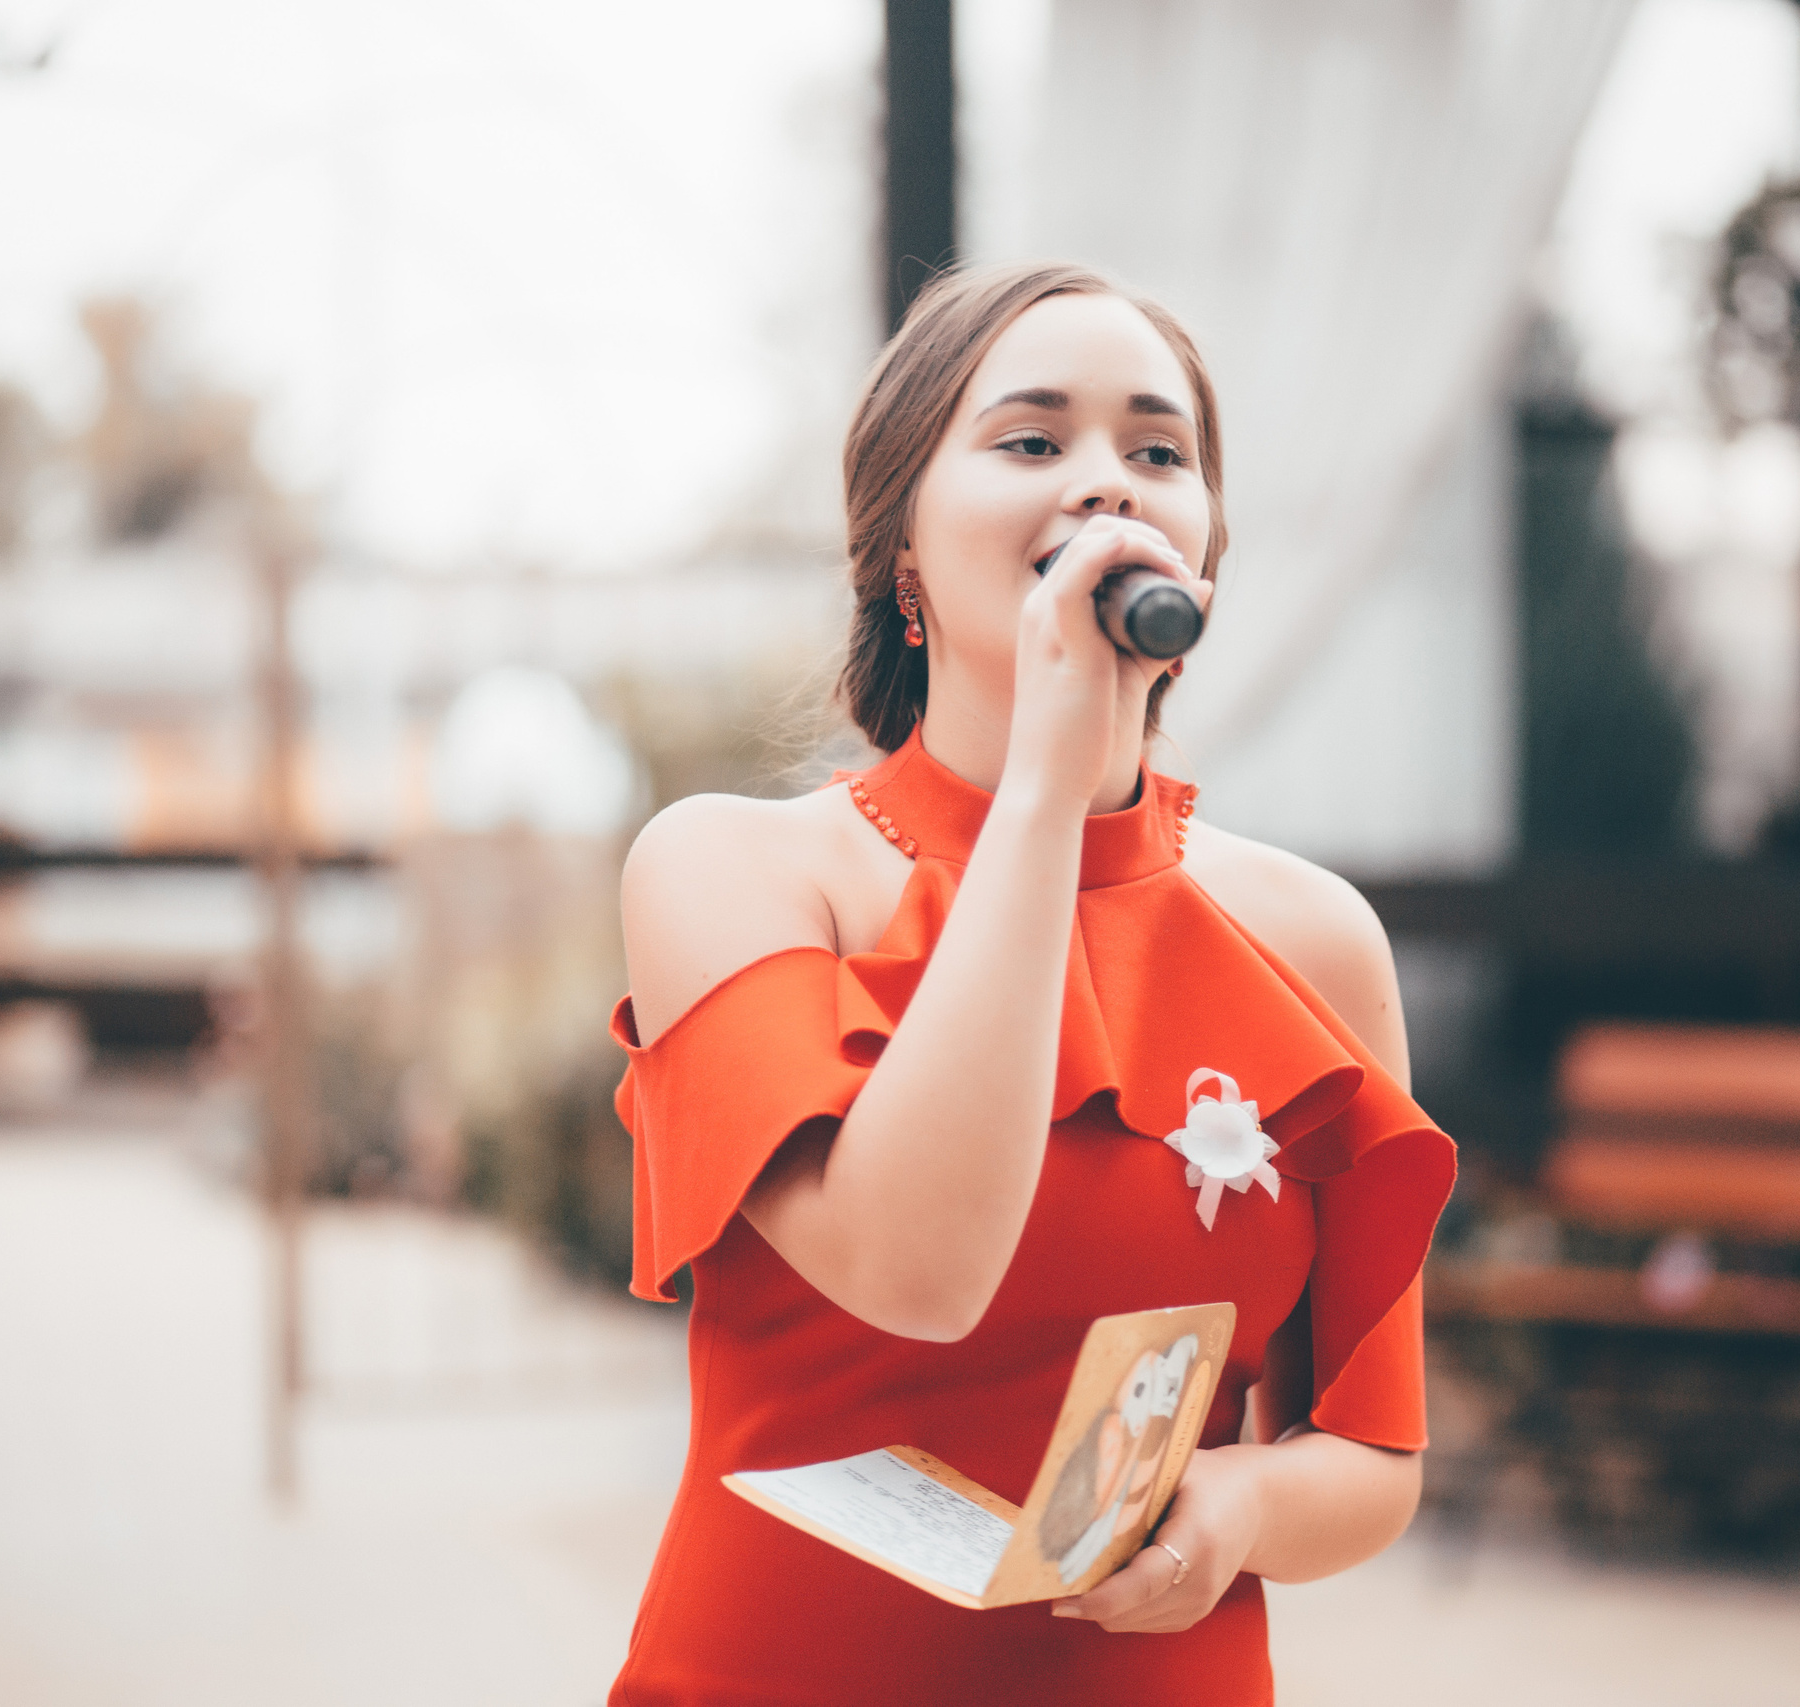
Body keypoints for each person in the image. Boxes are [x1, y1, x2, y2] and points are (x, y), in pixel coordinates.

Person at [608, 260, 1456, 1704]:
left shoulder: (1312, 940)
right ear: (904, 555)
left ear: (1205, 553)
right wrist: (1049, 795)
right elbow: (918, 1272)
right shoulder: (732, 873)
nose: (1104, 487)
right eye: (1030, 440)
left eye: (1157, 451)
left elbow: (1370, 1457)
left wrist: (1237, 1511)